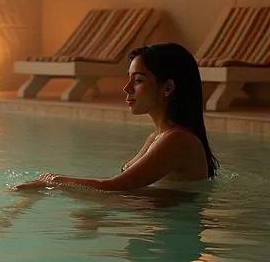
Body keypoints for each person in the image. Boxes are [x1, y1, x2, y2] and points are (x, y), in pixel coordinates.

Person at [13, 42, 219, 192]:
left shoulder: (177, 140)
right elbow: (124, 184)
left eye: (137, 80)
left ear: (168, 88)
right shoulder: (158, 137)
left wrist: (52, 180)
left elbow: (115, 186)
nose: (126, 88)